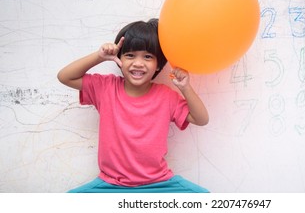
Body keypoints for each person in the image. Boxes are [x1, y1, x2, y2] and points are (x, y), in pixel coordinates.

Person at [57, 18, 209, 193]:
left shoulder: (166, 96)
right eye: (130, 55)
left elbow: (201, 119)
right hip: (111, 184)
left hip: (159, 184)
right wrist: (100, 56)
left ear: (158, 64)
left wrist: (186, 87)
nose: (138, 63)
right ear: (118, 58)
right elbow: (65, 77)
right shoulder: (105, 88)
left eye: (147, 57)